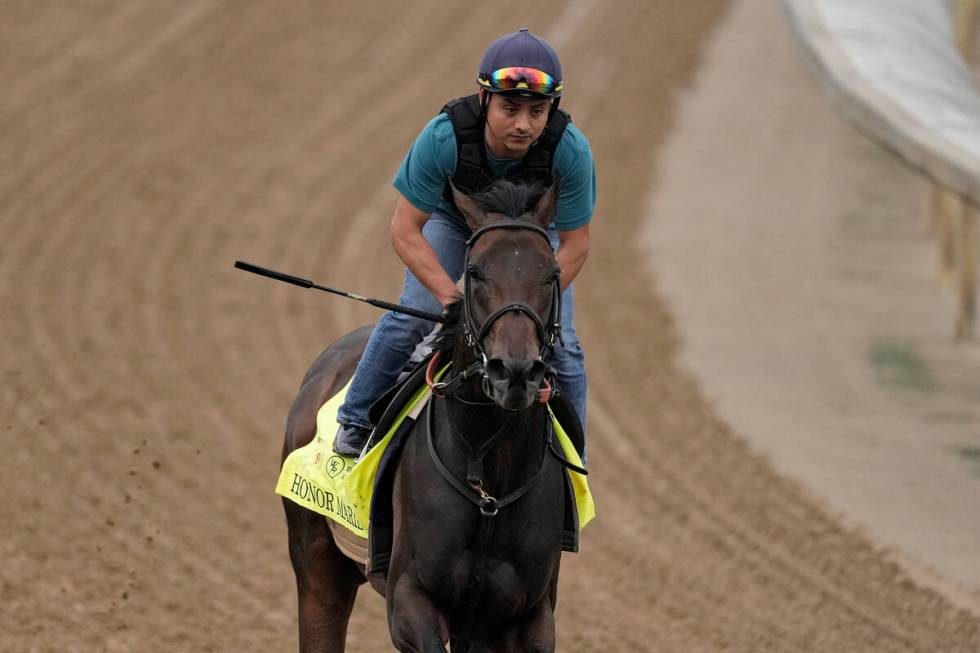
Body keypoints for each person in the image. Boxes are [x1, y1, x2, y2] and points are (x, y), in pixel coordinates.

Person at [334, 27, 596, 456]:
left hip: (533, 233)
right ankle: (355, 418)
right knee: (414, 317)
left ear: (553, 109)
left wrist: (532, 301)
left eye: (537, 112)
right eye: (509, 108)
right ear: (483, 99)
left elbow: (575, 244)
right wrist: (452, 298)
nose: (523, 125)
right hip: (455, 221)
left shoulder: (572, 150)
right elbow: (404, 229)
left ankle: (573, 462)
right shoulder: (443, 137)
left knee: (565, 349)